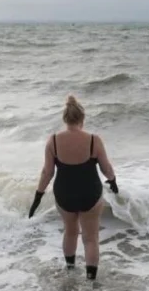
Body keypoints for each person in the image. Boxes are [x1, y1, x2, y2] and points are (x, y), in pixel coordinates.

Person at [29, 95, 117, 281]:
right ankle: (91, 281)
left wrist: (38, 195)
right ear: (82, 120)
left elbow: (47, 173)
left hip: (65, 194)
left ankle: (70, 270)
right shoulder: (94, 140)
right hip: (90, 193)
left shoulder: (53, 141)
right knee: (91, 238)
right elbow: (106, 168)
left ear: (65, 119)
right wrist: (113, 181)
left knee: (70, 231)